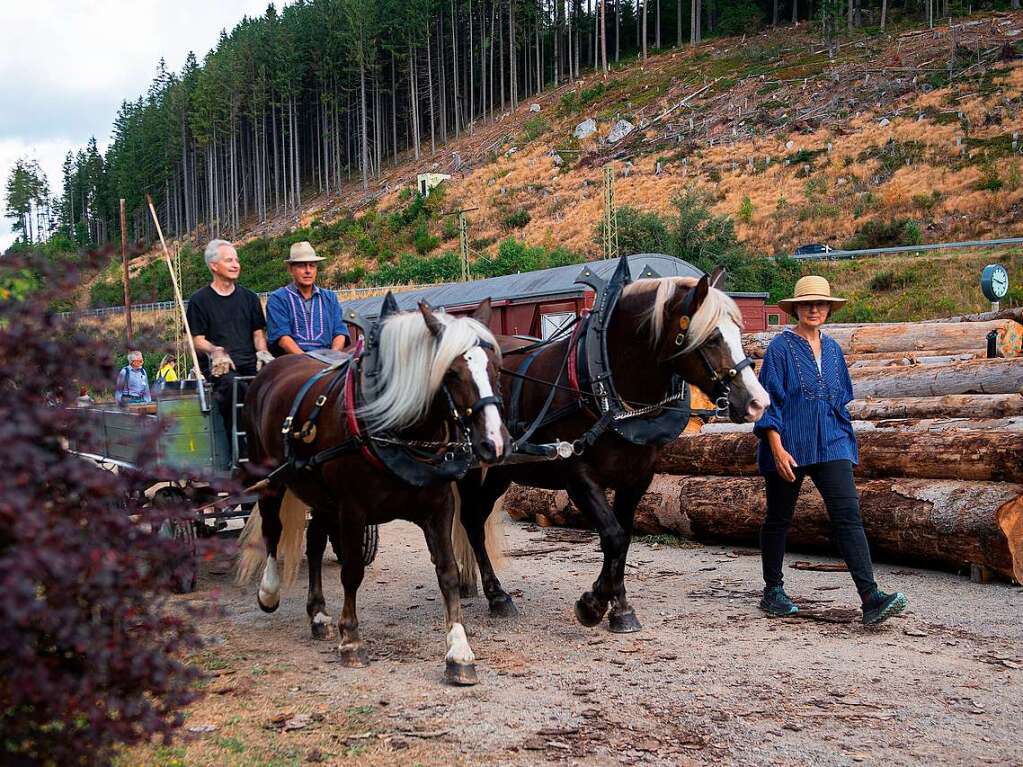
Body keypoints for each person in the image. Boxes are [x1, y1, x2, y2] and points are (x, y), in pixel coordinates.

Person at [753, 276, 908, 626]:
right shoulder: (780, 348)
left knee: (848, 516)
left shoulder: (835, 350)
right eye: (807, 303)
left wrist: (844, 439)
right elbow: (767, 403)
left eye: (820, 303)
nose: (814, 309)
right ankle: (772, 591)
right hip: (789, 443)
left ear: (828, 308)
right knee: (779, 518)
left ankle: (870, 597)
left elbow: (839, 400)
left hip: (831, 443)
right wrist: (776, 448)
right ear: (795, 308)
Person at [186, 239, 273, 437]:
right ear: (214, 266)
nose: (236, 265)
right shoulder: (199, 300)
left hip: (251, 363)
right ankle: (240, 452)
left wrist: (263, 352)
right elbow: (197, 340)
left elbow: (258, 333)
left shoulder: (250, 297)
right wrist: (216, 351)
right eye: (229, 260)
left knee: (276, 381)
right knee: (235, 386)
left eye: (237, 260)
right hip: (221, 368)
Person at [266, 241, 349, 355]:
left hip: (328, 360)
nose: (308, 271)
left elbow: (340, 332)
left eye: (312, 265)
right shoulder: (278, 298)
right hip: (292, 362)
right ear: (290, 269)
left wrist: (333, 356)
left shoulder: (330, 297)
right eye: (301, 265)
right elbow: (282, 338)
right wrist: (306, 361)